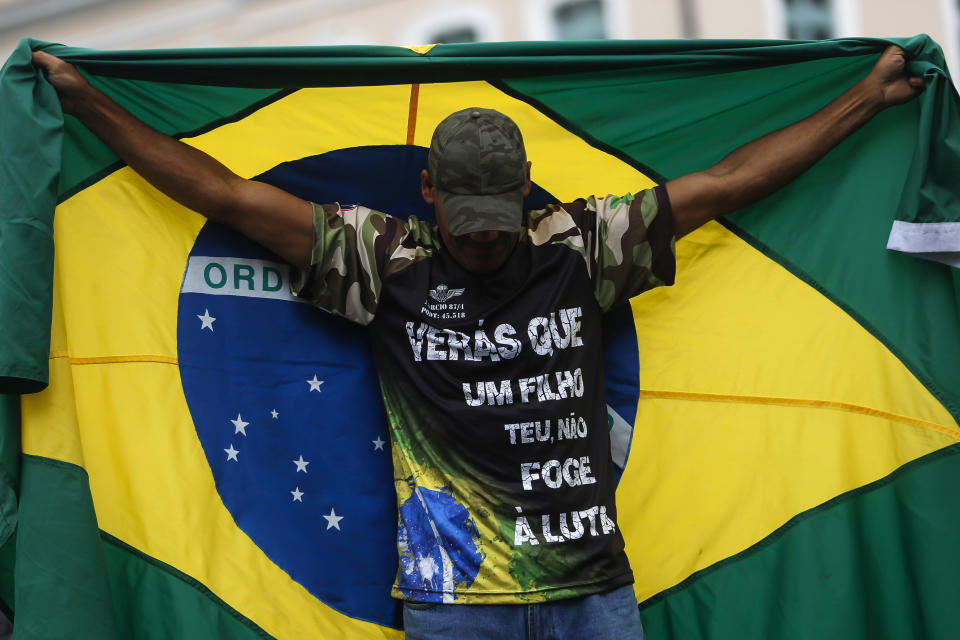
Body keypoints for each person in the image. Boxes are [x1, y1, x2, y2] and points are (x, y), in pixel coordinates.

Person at [32, 46, 923, 640]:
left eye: (501, 220)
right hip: (456, 607)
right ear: (426, 190)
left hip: (592, 597)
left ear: (529, 190)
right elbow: (225, 196)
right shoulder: (383, 258)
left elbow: (728, 183)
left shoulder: (581, 247)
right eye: (468, 221)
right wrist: (86, 103)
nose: (486, 238)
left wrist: (865, 97)